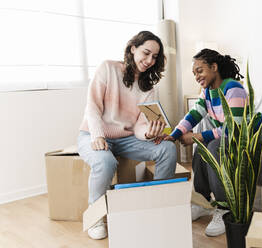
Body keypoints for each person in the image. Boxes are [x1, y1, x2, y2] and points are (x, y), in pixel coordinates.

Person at [77, 31, 177, 240]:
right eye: (146, 53)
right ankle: (96, 216)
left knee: (167, 148)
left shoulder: (149, 88)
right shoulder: (108, 68)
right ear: (133, 48)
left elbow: (139, 126)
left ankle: (158, 206)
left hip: (126, 138)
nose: (150, 61)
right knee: (105, 162)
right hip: (92, 134)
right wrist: (97, 136)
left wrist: (149, 133)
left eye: (155, 57)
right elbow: (93, 106)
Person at [164, 48, 250, 237]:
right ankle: (203, 202)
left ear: (214, 67)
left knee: (212, 146)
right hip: (227, 137)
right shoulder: (208, 92)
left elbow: (233, 128)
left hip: (246, 138)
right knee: (204, 146)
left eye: (200, 70)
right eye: (194, 73)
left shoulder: (233, 88)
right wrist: (175, 133)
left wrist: (198, 136)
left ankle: (224, 208)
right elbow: (193, 114)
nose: (197, 76)